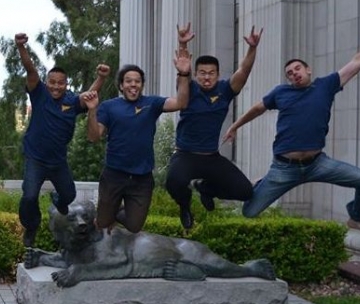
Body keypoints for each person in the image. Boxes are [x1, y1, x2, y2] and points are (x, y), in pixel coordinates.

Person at [224, 13, 360, 238]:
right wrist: (235, 125)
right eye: (289, 73)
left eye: (297, 69)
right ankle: (263, 182)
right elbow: (257, 109)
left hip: (318, 164)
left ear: (308, 70)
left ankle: (356, 218)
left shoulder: (326, 86)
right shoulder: (280, 92)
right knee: (249, 212)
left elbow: (358, 62)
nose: (293, 74)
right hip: (284, 168)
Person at [14, 32, 110, 247]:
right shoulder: (39, 93)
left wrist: (101, 78)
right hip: (36, 159)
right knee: (29, 197)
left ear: (66, 84)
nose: (56, 87)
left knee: (69, 195)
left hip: (58, 161)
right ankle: (31, 227)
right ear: (47, 82)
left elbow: (90, 97)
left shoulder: (71, 100)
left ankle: (57, 201)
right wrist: (21, 47)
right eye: (52, 82)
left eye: (61, 83)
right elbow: (30, 69)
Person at [85, 45, 193, 233]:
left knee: (134, 226)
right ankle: (108, 214)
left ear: (142, 85)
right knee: (102, 223)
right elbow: (94, 137)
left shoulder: (152, 103)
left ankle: (115, 213)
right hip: (114, 175)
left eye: (137, 81)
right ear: (121, 85)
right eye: (128, 81)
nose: (133, 85)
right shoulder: (109, 107)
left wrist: (183, 74)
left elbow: (181, 102)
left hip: (141, 178)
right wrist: (92, 111)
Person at [165, 24, 263, 229]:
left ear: (218, 75)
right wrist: (182, 43)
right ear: (196, 74)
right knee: (173, 183)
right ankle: (185, 206)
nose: (206, 77)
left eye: (211, 73)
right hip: (186, 155)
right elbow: (183, 69)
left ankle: (204, 188)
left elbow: (244, 70)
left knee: (245, 191)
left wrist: (252, 48)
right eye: (202, 73)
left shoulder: (225, 90)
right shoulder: (189, 88)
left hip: (211, 157)